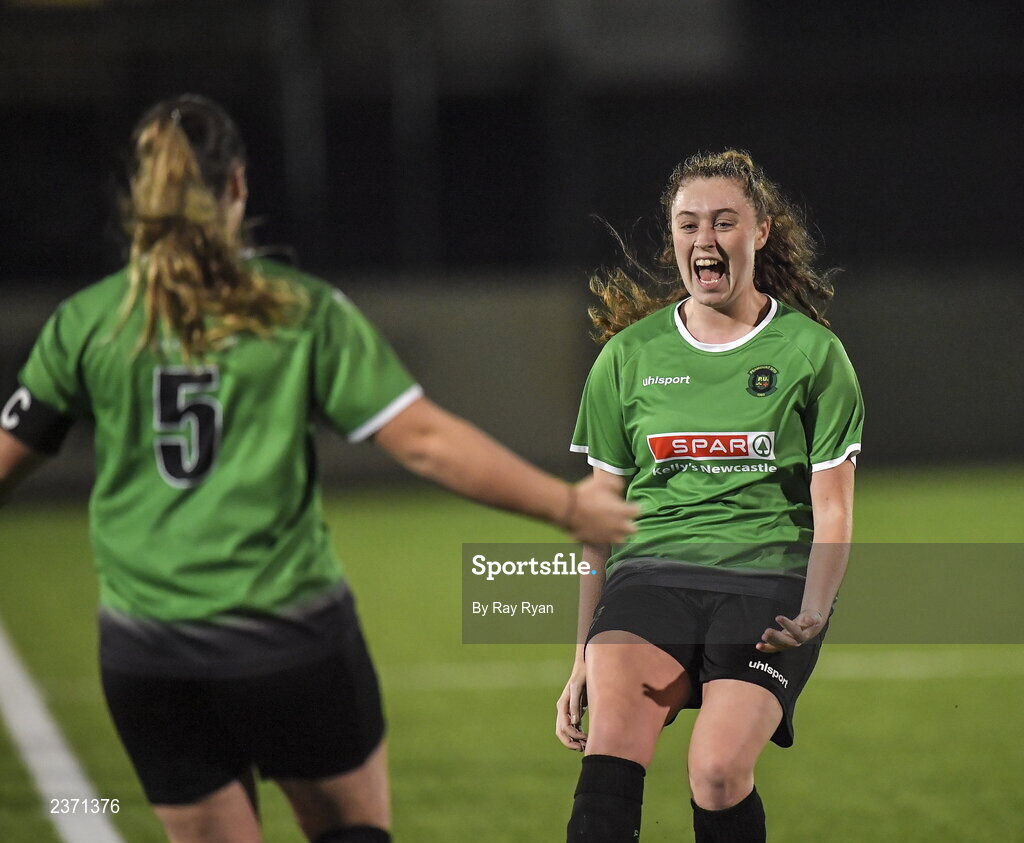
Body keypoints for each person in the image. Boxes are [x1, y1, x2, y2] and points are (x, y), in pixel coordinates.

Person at [0, 93, 637, 843]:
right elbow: (424, 439)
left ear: (137, 198)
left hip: (148, 653)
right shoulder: (298, 311)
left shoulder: (87, 322)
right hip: (287, 640)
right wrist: (570, 507)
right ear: (237, 186)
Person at [555, 149, 864, 842]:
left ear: (759, 232)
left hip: (767, 582)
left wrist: (815, 609)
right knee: (610, 746)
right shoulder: (626, 358)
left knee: (718, 771)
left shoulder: (813, 355)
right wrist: (581, 653)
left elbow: (834, 507)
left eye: (724, 221)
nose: (705, 238)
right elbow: (598, 517)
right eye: (688, 223)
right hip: (651, 577)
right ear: (673, 237)